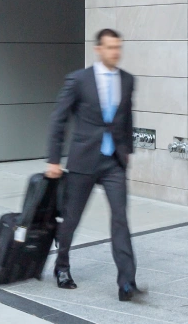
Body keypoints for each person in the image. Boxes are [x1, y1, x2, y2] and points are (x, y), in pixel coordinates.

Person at [46, 28, 138, 301]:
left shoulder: (128, 80)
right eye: (110, 48)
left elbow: (127, 117)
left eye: (118, 47)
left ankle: (126, 282)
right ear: (98, 49)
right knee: (72, 219)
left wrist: (128, 149)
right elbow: (58, 120)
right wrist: (53, 159)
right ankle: (61, 266)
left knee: (120, 219)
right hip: (84, 160)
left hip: (114, 163)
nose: (116, 52)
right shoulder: (79, 80)